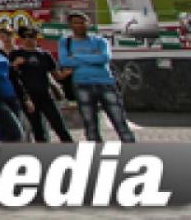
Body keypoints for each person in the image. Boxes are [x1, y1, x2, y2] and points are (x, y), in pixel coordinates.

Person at [57, 12, 136, 143]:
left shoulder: (100, 41)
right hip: (82, 84)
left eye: (83, 22)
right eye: (76, 22)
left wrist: (76, 57)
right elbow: (65, 61)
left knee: (120, 121)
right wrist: (93, 57)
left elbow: (105, 58)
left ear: (88, 24)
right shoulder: (65, 42)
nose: (80, 25)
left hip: (105, 83)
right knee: (90, 125)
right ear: (70, 25)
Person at [11, 26, 73, 142]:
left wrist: (68, 72)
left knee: (59, 126)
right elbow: (10, 74)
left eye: (32, 37)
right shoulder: (16, 54)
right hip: (28, 97)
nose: (29, 39)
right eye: (26, 37)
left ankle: (72, 149)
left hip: (46, 95)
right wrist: (15, 64)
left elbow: (56, 75)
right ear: (21, 38)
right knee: (37, 129)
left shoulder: (45, 54)